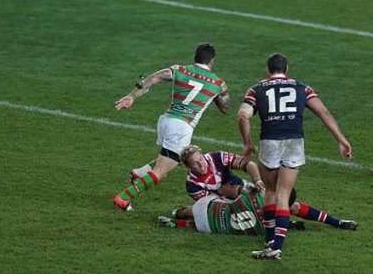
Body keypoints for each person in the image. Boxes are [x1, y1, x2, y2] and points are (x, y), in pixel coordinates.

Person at [237, 53, 352, 260]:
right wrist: (341, 139)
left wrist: (247, 143)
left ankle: (270, 241)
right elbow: (323, 112)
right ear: (287, 69)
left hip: (269, 142)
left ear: (267, 69)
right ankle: (276, 247)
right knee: (283, 194)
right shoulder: (302, 87)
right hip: (294, 142)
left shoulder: (256, 89)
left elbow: (242, 115)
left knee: (270, 191)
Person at [113, 42, 230, 211]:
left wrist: (132, 96)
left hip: (166, 120)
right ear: (212, 61)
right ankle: (123, 198)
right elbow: (226, 108)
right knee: (162, 171)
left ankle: (140, 172)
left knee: (178, 160)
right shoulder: (218, 83)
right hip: (182, 126)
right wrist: (216, 95)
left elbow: (153, 78)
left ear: (194, 58)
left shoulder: (179, 70)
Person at [160, 188, 358, 235]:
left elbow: (229, 190)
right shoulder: (270, 228)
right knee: (211, 223)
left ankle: (177, 212)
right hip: (211, 229)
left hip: (208, 209)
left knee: (213, 204)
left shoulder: (253, 196)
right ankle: (338, 222)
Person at [179, 144, 264, 201]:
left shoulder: (217, 158)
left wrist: (257, 180)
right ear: (188, 167)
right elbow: (212, 205)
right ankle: (182, 212)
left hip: (241, 186)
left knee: (264, 196)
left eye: (201, 159)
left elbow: (249, 164)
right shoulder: (192, 185)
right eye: (195, 163)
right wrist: (224, 192)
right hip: (224, 205)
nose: (201, 165)